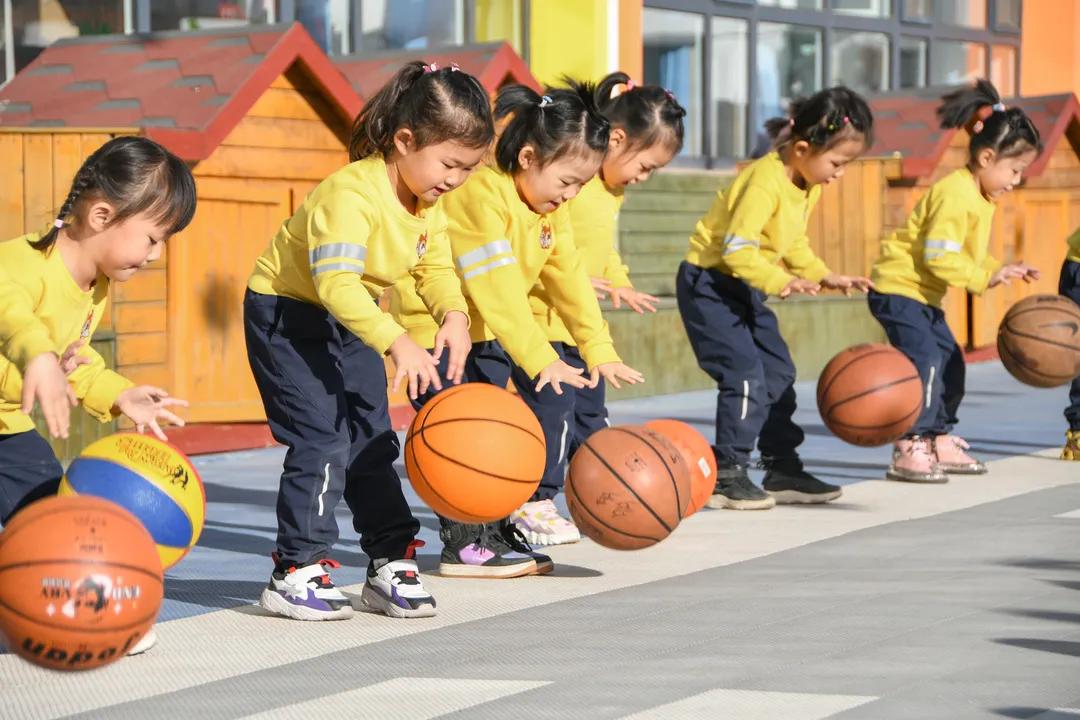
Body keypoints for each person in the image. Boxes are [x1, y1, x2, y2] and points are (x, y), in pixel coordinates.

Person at [869, 79, 1042, 482]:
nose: (1016, 181)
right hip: (897, 289)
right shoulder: (955, 194)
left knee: (950, 360)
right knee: (927, 360)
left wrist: (1000, 267)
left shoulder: (980, 197)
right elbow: (938, 256)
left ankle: (938, 434)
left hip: (920, 293)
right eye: (1014, 170)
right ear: (986, 158)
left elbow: (969, 254)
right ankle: (911, 441)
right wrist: (985, 276)